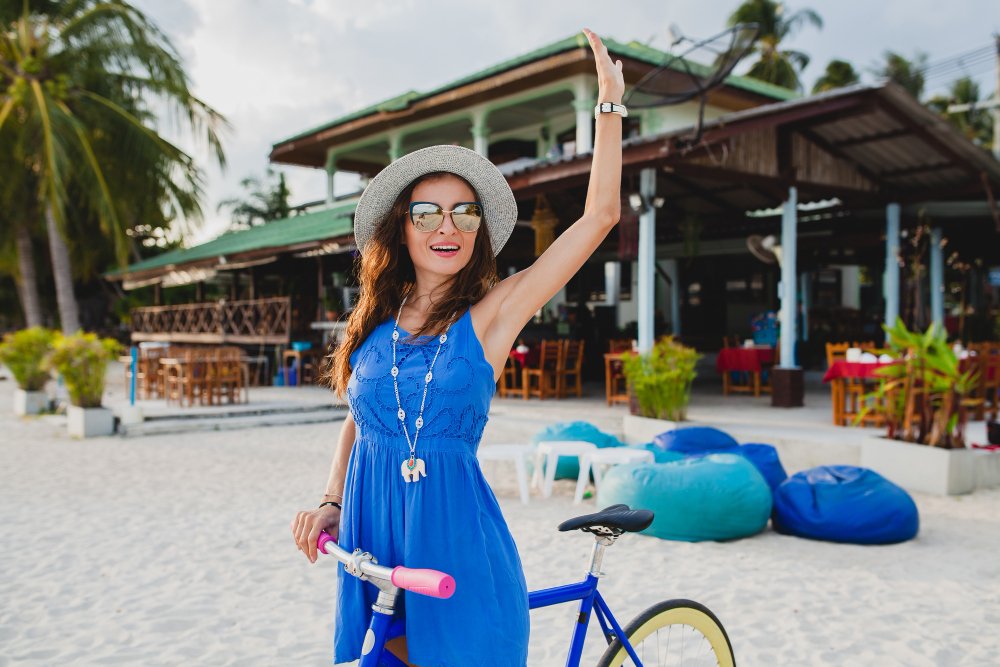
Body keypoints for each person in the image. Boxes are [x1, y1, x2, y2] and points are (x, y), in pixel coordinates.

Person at [291, 28, 624, 666]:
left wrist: (606, 105)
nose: (448, 228)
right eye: (429, 214)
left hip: (451, 538)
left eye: (465, 214)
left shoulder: (493, 314)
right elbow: (359, 418)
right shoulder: (378, 320)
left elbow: (599, 216)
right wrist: (332, 500)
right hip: (372, 529)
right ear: (403, 229)